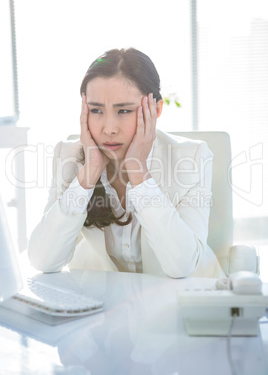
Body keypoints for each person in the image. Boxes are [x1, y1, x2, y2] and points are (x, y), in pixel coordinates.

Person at [28, 48, 225, 278]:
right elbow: (44, 260)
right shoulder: (68, 157)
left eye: (123, 110)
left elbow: (182, 266)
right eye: (96, 110)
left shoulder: (192, 159)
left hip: (189, 301)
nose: (109, 128)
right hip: (108, 304)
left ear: (156, 109)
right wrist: (87, 177)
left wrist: (139, 173)